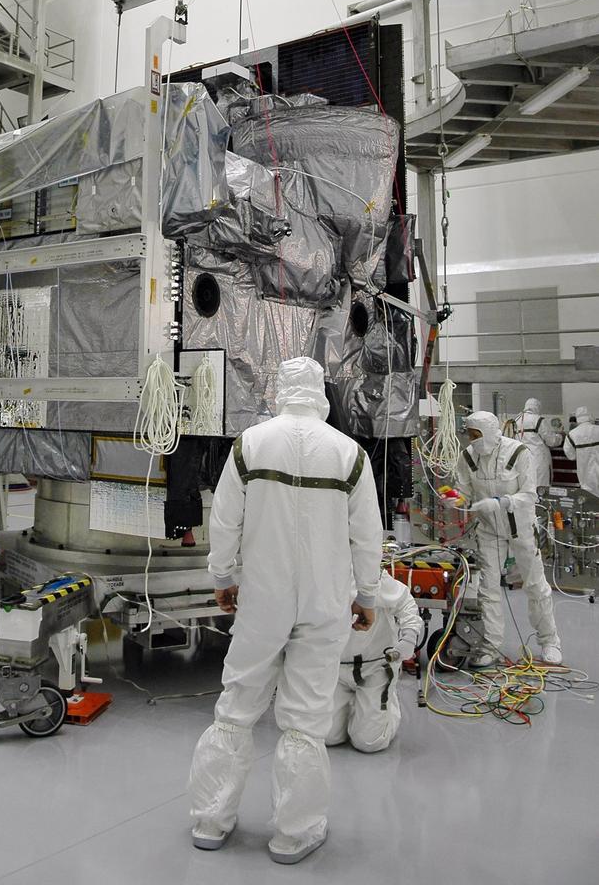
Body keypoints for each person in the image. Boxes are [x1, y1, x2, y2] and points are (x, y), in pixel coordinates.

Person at [188, 357, 383, 866]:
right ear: (320, 393)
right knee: (305, 719)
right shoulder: (350, 454)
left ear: (279, 390)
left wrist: (224, 577)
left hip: (262, 598)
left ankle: (212, 819)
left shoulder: (251, 445)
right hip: (324, 602)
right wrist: (367, 596)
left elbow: (225, 518)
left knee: (237, 705)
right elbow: (367, 536)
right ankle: (294, 833)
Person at [457, 410, 562, 667]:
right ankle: (491, 646)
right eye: (469, 435)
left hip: (521, 529)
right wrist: (454, 499)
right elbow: (463, 493)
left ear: (491, 432)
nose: (472, 440)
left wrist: (502, 502)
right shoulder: (468, 458)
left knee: (535, 585)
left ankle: (550, 641)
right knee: (488, 590)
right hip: (489, 531)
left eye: (477, 435)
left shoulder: (518, 453)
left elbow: (529, 495)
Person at [326, 572, 423, 753]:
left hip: (376, 667)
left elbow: (405, 601)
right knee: (328, 736)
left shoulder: (370, 577)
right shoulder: (321, 575)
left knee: (369, 741)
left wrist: (409, 636)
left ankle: (385, 707)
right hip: (336, 668)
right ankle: (362, 707)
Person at [514, 397, 562, 489]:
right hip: (538, 460)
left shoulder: (517, 420)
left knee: (526, 488)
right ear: (537, 407)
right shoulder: (538, 420)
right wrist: (560, 437)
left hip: (522, 460)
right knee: (541, 488)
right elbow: (551, 441)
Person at [563, 406, 599, 498]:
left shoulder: (572, 434)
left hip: (585, 476)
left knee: (590, 502)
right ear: (590, 416)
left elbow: (570, 455)